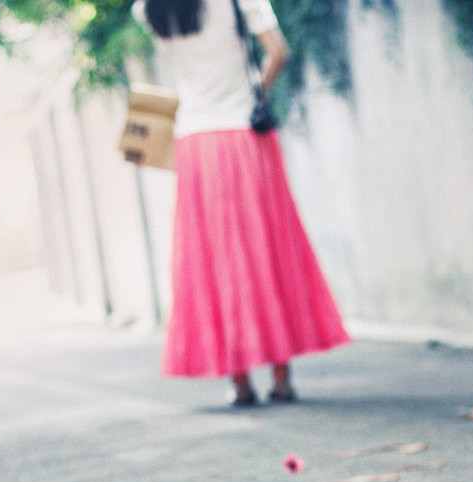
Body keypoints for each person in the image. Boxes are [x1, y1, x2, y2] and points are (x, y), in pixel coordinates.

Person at [132, 0, 350, 405]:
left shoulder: (150, 10)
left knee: (215, 259)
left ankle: (240, 383)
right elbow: (278, 52)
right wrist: (255, 91)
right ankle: (281, 377)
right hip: (244, 135)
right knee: (266, 247)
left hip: (196, 142)